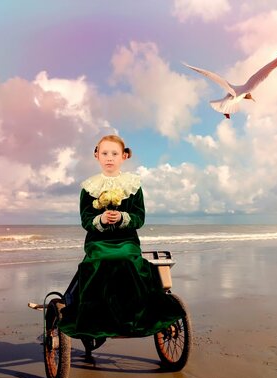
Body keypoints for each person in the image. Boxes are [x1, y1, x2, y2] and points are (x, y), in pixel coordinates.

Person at [58, 135, 184, 354]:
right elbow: (86, 220)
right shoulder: (88, 187)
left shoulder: (133, 185)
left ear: (124, 156)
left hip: (126, 240)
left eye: (114, 154)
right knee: (100, 261)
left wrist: (124, 217)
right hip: (98, 242)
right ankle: (97, 320)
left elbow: (140, 218)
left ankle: (133, 316)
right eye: (104, 153)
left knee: (126, 258)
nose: (109, 158)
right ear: (96, 155)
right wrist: (101, 220)